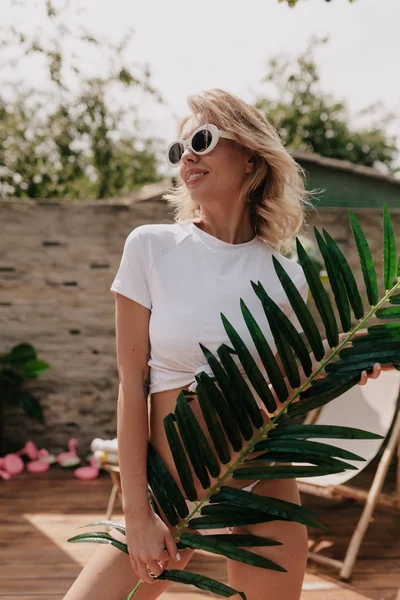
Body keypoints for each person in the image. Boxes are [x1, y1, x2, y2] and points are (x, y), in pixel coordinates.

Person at [63, 88, 383, 600]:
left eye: (202, 139)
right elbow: (131, 385)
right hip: (173, 491)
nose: (186, 155)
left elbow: (281, 392)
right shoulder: (151, 248)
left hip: (261, 482)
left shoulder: (287, 275)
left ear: (251, 157)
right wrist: (138, 516)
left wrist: (344, 367)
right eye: (179, 148)